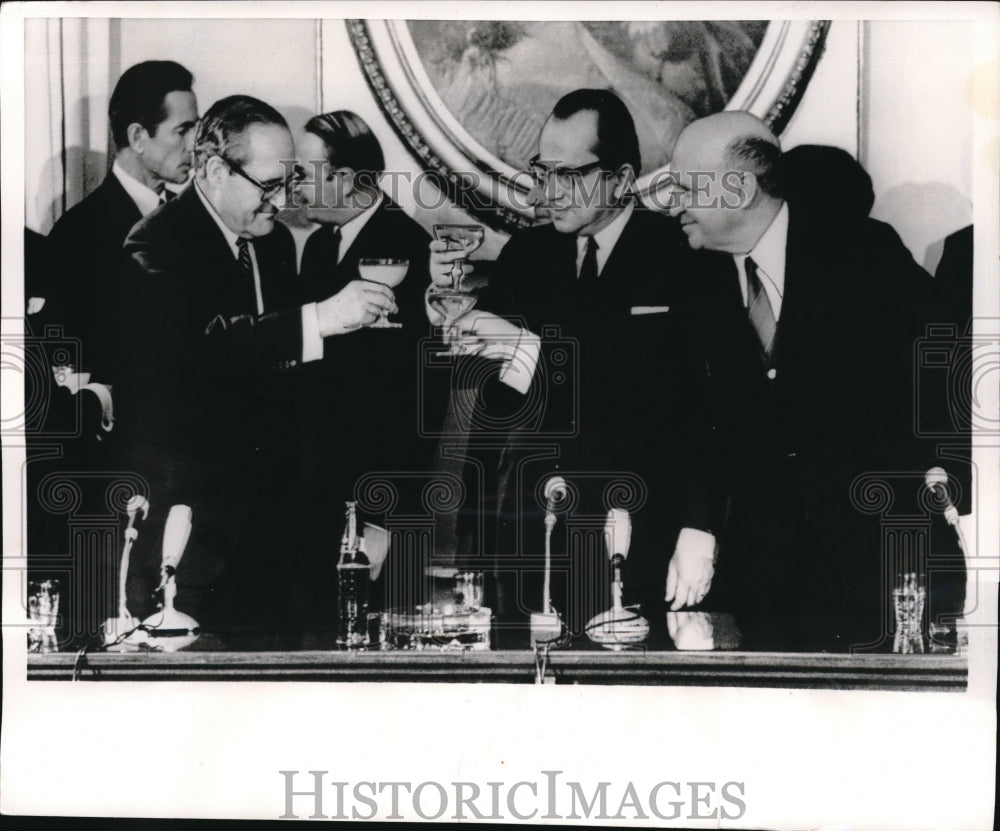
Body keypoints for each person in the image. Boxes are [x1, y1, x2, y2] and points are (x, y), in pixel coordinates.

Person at [666, 110, 959, 649]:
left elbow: (944, 380)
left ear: (743, 187)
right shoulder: (690, 277)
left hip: (870, 565)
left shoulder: (862, 253)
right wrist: (698, 523)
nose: (673, 201)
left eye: (686, 185)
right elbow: (695, 418)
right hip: (758, 578)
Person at [112, 95, 397, 642]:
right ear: (216, 170)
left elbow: (304, 389)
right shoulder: (152, 247)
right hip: (192, 550)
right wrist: (320, 316)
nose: (283, 200)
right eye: (269, 184)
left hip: (280, 549)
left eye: (290, 181)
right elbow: (206, 349)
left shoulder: (268, 246)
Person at [429, 88, 712, 634]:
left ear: (623, 177)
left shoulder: (683, 257)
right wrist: (440, 303)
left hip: (639, 536)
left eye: (569, 174)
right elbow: (480, 384)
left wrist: (699, 527)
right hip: (530, 539)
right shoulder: (527, 255)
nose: (548, 191)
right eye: (542, 170)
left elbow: (704, 406)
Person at [45, 61, 198, 380]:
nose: (195, 146)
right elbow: (67, 363)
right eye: (183, 131)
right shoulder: (77, 234)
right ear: (138, 136)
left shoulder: (192, 219)